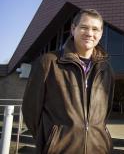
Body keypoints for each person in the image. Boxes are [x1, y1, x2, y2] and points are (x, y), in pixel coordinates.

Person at [22, 9, 115, 154]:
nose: (90, 33)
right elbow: (30, 111)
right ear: (73, 29)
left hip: (98, 148)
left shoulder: (106, 69)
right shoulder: (48, 63)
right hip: (60, 150)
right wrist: (51, 141)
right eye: (84, 27)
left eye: (95, 29)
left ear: (101, 33)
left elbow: (105, 111)